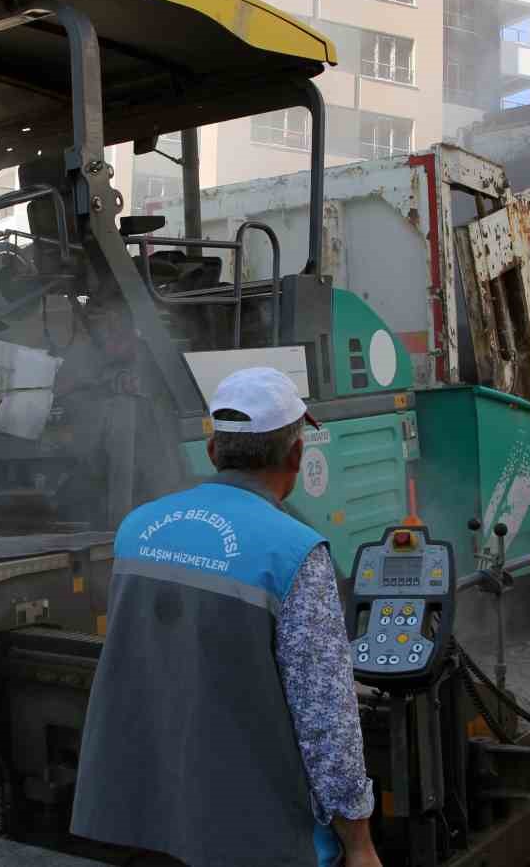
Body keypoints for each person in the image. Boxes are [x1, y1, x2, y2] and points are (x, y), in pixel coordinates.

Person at [72, 367, 380, 867]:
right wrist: (359, 842)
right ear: (296, 456)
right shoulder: (296, 552)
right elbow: (326, 718)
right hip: (253, 836)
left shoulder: (136, 530)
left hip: (146, 823)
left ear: (214, 452)